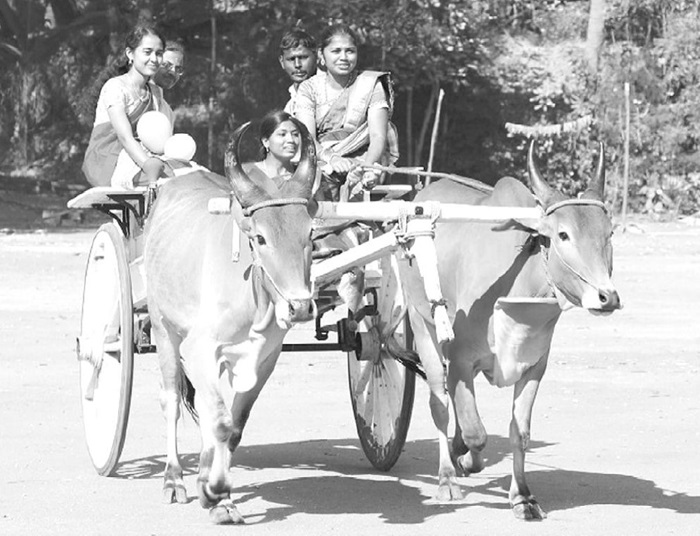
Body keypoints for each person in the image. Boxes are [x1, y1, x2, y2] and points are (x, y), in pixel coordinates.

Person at [294, 23, 399, 202]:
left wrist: (366, 168)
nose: (343, 57)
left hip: (365, 162)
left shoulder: (371, 84)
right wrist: (332, 159)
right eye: (336, 51)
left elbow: (377, 136)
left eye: (350, 51)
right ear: (321, 54)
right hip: (321, 162)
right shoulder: (309, 88)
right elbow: (307, 138)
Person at [82, 24, 170, 189]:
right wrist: (148, 165)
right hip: (109, 159)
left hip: (143, 156)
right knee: (169, 179)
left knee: (187, 172)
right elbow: (125, 138)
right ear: (130, 54)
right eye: (147, 52)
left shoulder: (156, 92)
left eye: (159, 54)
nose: (154, 59)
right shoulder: (115, 87)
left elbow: (157, 136)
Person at [278, 28, 317, 115]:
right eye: (291, 59)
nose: (297, 65)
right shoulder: (289, 106)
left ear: (316, 57)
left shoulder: (328, 91)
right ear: (282, 62)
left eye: (303, 57)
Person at [153, 39, 185, 127]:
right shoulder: (131, 95)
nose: (173, 72)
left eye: (178, 69)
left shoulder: (168, 113)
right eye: (166, 65)